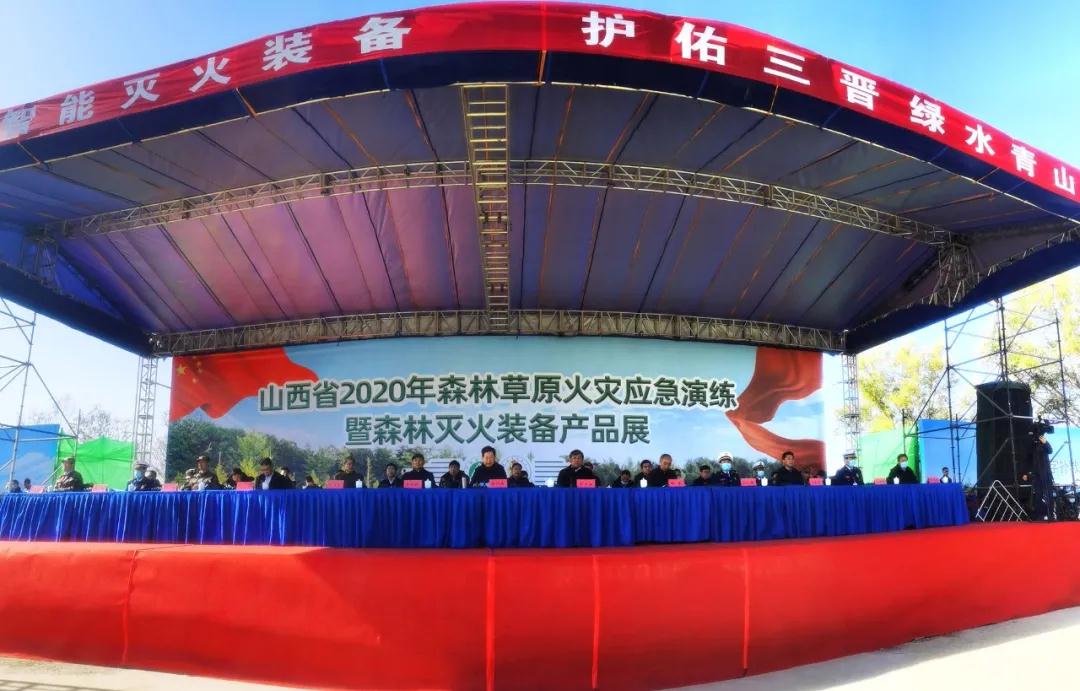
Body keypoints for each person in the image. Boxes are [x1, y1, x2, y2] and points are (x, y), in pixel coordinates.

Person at [1031, 432, 1054, 520]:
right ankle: (1039, 515)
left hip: (1046, 473)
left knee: (1049, 494)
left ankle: (1051, 514)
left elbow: (1050, 450)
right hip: (1037, 474)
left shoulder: (1044, 444)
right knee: (1038, 495)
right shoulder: (1033, 445)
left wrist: (1045, 442)